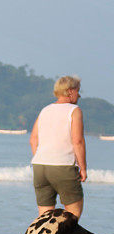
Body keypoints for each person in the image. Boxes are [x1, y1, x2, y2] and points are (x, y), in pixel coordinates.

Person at [30, 75, 87, 218]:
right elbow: (77, 141)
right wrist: (83, 168)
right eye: (78, 90)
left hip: (40, 166)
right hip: (63, 166)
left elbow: (33, 139)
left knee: (43, 217)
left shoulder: (45, 110)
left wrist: (43, 157)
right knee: (73, 215)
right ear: (70, 91)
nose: (79, 95)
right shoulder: (74, 110)